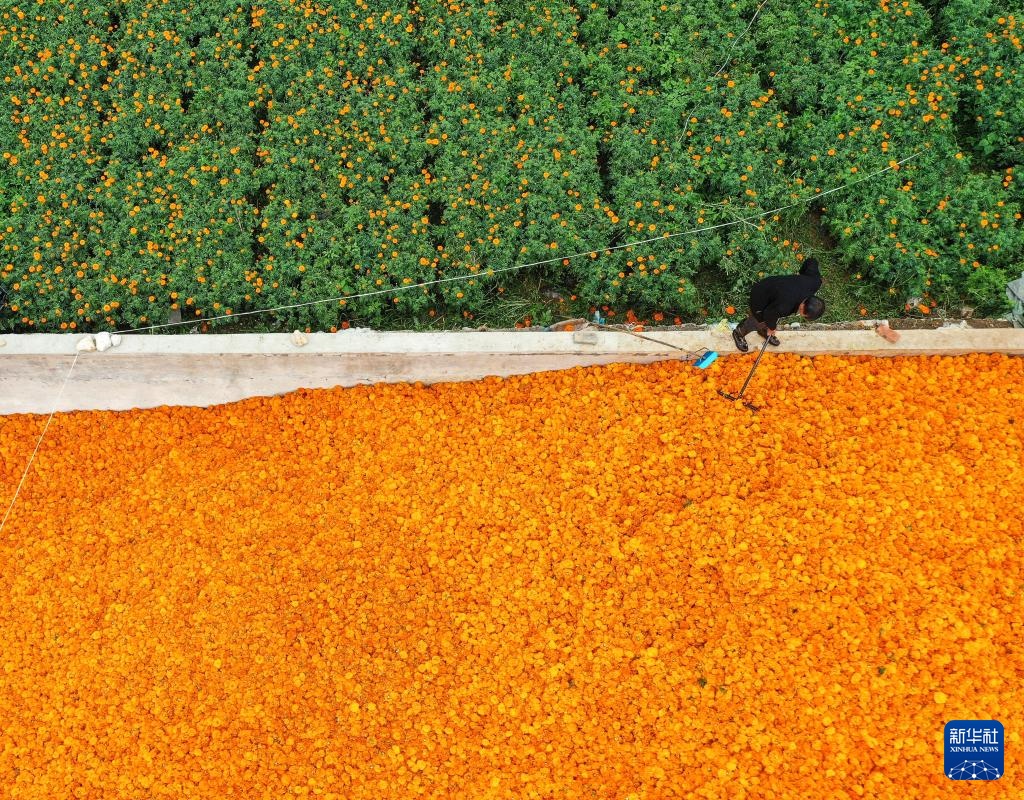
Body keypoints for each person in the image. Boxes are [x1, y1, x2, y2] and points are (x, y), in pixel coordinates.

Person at [732, 257, 825, 352]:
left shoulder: (815, 282)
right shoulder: (785, 306)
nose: (800, 315)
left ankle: (763, 330)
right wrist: (772, 328)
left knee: (771, 317)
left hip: (775, 288)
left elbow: (812, 261)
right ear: (802, 307)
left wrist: (800, 274)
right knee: (758, 319)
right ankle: (739, 332)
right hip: (760, 294)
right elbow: (769, 313)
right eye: (803, 314)